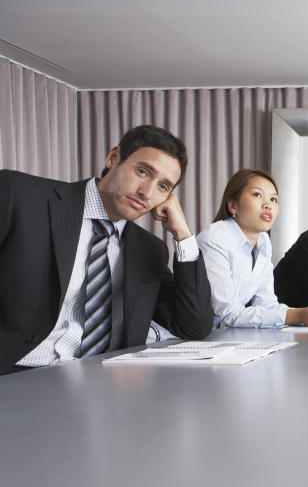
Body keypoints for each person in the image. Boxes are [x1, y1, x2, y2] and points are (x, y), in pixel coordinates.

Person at [0, 125, 213, 375]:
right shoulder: (19, 194)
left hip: (105, 384)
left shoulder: (149, 249)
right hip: (15, 373)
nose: (147, 193)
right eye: (142, 171)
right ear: (114, 158)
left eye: (163, 187)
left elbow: (193, 326)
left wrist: (183, 236)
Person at [196, 170, 308, 329]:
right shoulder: (215, 238)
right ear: (233, 205)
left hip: (209, 335)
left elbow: (266, 304)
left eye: (273, 199)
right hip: (175, 336)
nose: (268, 205)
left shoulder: (263, 241)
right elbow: (230, 313)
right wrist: (298, 315)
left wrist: (305, 312)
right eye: (257, 195)